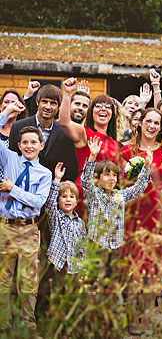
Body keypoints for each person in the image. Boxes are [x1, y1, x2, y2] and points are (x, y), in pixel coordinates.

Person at [0, 101, 52, 330]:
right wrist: (4, 114)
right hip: (6, 227)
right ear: (19, 145)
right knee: (3, 279)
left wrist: (13, 189)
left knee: (28, 281)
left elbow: (38, 202)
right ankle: (4, 324)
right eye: (25, 143)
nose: (29, 146)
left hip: (30, 229)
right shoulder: (9, 159)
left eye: (34, 142)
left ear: (41, 146)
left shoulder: (45, 173)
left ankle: (27, 326)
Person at [120, 108, 162, 276]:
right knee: (133, 257)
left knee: (156, 257)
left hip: (157, 211)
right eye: (148, 121)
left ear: (161, 127)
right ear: (140, 123)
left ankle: (152, 299)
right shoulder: (126, 151)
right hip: (134, 210)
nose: (152, 126)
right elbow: (124, 184)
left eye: (156, 123)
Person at [59, 77, 121, 208]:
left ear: (112, 114)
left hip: (106, 197)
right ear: (91, 112)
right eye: (98, 106)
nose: (103, 109)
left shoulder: (115, 142)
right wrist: (67, 94)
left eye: (108, 107)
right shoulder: (84, 133)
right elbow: (64, 122)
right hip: (85, 194)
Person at [82, 136, 152, 250]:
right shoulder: (93, 193)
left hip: (115, 247)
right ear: (97, 178)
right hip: (96, 246)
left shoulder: (119, 195)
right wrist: (92, 156)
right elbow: (85, 180)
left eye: (114, 175)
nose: (111, 179)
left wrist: (147, 166)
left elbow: (138, 188)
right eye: (106, 175)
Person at [10, 84, 78, 182]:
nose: (48, 107)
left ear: (59, 106)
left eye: (53, 103)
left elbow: (69, 168)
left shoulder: (64, 132)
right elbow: (13, 161)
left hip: (53, 189)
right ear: (37, 102)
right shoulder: (18, 127)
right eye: (44, 101)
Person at [45, 163, 86, 281]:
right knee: (57, 295)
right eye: (64, 196)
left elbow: (83, 247)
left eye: (71, 197)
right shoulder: (56, 217)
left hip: (75, 268)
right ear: (58, 201)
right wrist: (57, 179)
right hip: (57, 265)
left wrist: (84, 268)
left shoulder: (80, 223)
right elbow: (50, 203)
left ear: (76, 201)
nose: (68, 199)